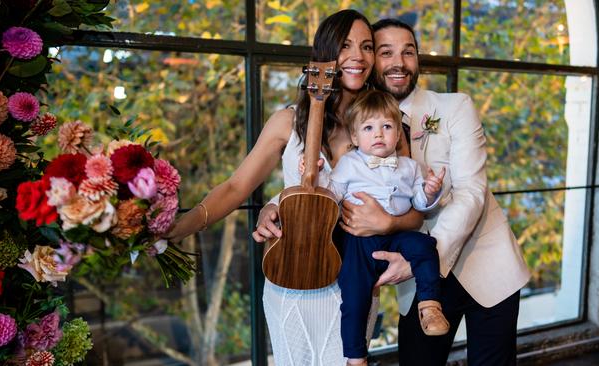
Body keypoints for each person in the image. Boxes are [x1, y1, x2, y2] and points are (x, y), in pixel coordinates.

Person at [165, 10, 423, 366]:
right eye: (345, 45)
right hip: (292, 277)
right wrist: (176, 228)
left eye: (367, 46)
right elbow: (236, 186)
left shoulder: (387, 126)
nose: (357, 56)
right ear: (323, 54)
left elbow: (415, 212)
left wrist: (388, 224)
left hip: (354, 282)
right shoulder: (287, 120)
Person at [369, 18, 532, 365]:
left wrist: (420, 260)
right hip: (418, 282)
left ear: (417, 60)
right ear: (372, 61)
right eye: (387, 52)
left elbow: (471, 192)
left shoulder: (456, 106)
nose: (399, 62)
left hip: (487, 265)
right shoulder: (361, 123)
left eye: (408, 52)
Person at [298, 89, 449, 365]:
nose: (378, 134)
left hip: (396, 236)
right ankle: (356, 357)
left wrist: (429, 191)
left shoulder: (411, 167)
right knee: (355, 298)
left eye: (387, 126)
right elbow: (331, 194)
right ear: (355, 137)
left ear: (398, 134)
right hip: (358, 241)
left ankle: (429, 305)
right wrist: (317, 174)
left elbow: (419, 203)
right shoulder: (349, 164)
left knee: (426, 246)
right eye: (368, 128)